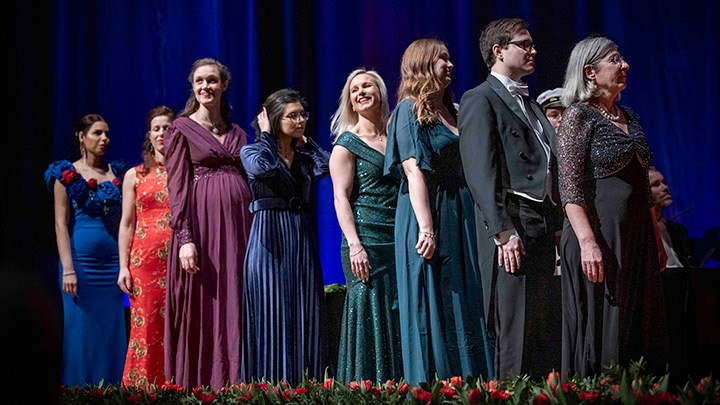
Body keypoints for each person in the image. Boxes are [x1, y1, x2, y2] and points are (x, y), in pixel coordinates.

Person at [556, 35, 670, 379]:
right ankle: (599, 391)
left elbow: (643, 187)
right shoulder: (578, 116)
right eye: (615, 60)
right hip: (601, 235)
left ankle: (637, 391)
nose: (625, 66)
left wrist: (657, 238)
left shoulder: (629, 115)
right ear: (590, 71)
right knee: (607, 321)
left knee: (640, 321)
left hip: (637, 235)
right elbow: (570, 187)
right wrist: (589, 242)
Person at [384, 38, 493, 386]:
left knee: (467, 293)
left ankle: (475, 381)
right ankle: (438, 385)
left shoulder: (455, 110)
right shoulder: (408, 110)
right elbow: (413, 169)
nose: (450, 64)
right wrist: (426, 228)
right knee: (434, 295)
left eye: (450, 58)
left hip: (460, 208)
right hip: (427, 208)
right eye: (441, 59)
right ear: (422, 65)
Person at [458, 18, 563, 379]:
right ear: (498, 51)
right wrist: (502, 231)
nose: (534, 50)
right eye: (524, 44)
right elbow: (479, 171)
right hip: (512, 222)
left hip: (541, 221)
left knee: (541, 327)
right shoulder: (479, 98)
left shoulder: (531, 105)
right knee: (515, 329)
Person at [163, 58, 253, 389]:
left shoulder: (238, 132)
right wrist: (185, 236)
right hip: (201, 228)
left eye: (212, 80)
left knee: (234, 298)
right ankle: (203, 383)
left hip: (239, 228)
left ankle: (236, 380)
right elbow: (177, 187)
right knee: (207, 301)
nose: (206, 87)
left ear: (224, 85)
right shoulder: (181, 129)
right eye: (199, 81)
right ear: (193, 86)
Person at [241, 88, 330, 385]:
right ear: (274, 118)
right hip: (268, 237)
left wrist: (308, 142)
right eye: (292, 115)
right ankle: (270, 388)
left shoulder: (304, 157)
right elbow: (263, 167)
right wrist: (267, 135)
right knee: (271, 314)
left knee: (305, 310)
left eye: (302, 114)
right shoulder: (251, 151)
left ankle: (307, 387)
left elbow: (329, 166)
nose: (300, 119)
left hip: (299, 235)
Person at [44, 113, 130, 386]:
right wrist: (68, 269)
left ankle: (112, 395)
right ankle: (77, 393)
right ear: (82, 137)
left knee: (112, 333)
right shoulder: (66, 173)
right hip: (80, 268)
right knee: (79, 335)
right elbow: (60, 223)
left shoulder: (117, 174)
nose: (104, 138)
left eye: (106, 133)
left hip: (112, 268)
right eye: (97, 133)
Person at [329, 68, 402, 383]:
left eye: (367, 85)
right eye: (355, 89)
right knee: (368, 312)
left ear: (380, 92)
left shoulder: (398, 136)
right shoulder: (346, 145)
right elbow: (340, 199)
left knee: (398, 313)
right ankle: (364, 387)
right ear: (351, 102)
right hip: (365, 241)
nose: (361, 92)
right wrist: (355, 245)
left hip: (398, 237)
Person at [117, 105, 175, 388]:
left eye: (167, 127)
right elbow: (127, 223)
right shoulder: (134, 175)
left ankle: (175, 387)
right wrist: (122, 267)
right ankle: (142, 389)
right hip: (145, 262)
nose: (162, 133)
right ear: (149, 135)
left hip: (178, 262)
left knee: (176, 326)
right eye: (157, 128)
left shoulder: (185, 171)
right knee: (147, 325)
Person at [648, 167, 692, 268]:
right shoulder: (640, 233)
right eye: (655, 184)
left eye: (664, 182)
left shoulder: (678, 230)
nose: (665, 187)